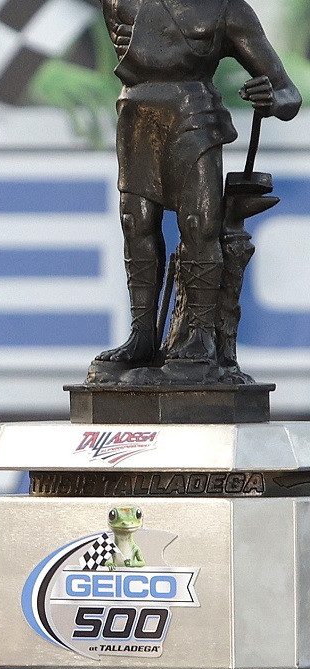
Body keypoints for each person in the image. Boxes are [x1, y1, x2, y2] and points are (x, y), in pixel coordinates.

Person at [89, 0, 298, 383]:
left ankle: (199, 339)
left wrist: (270, 97)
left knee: (199, 225)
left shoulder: (227, 10)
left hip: (193, 116)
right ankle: (142, 335)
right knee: (135, 222)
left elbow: (287, 93)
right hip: (136, 114)